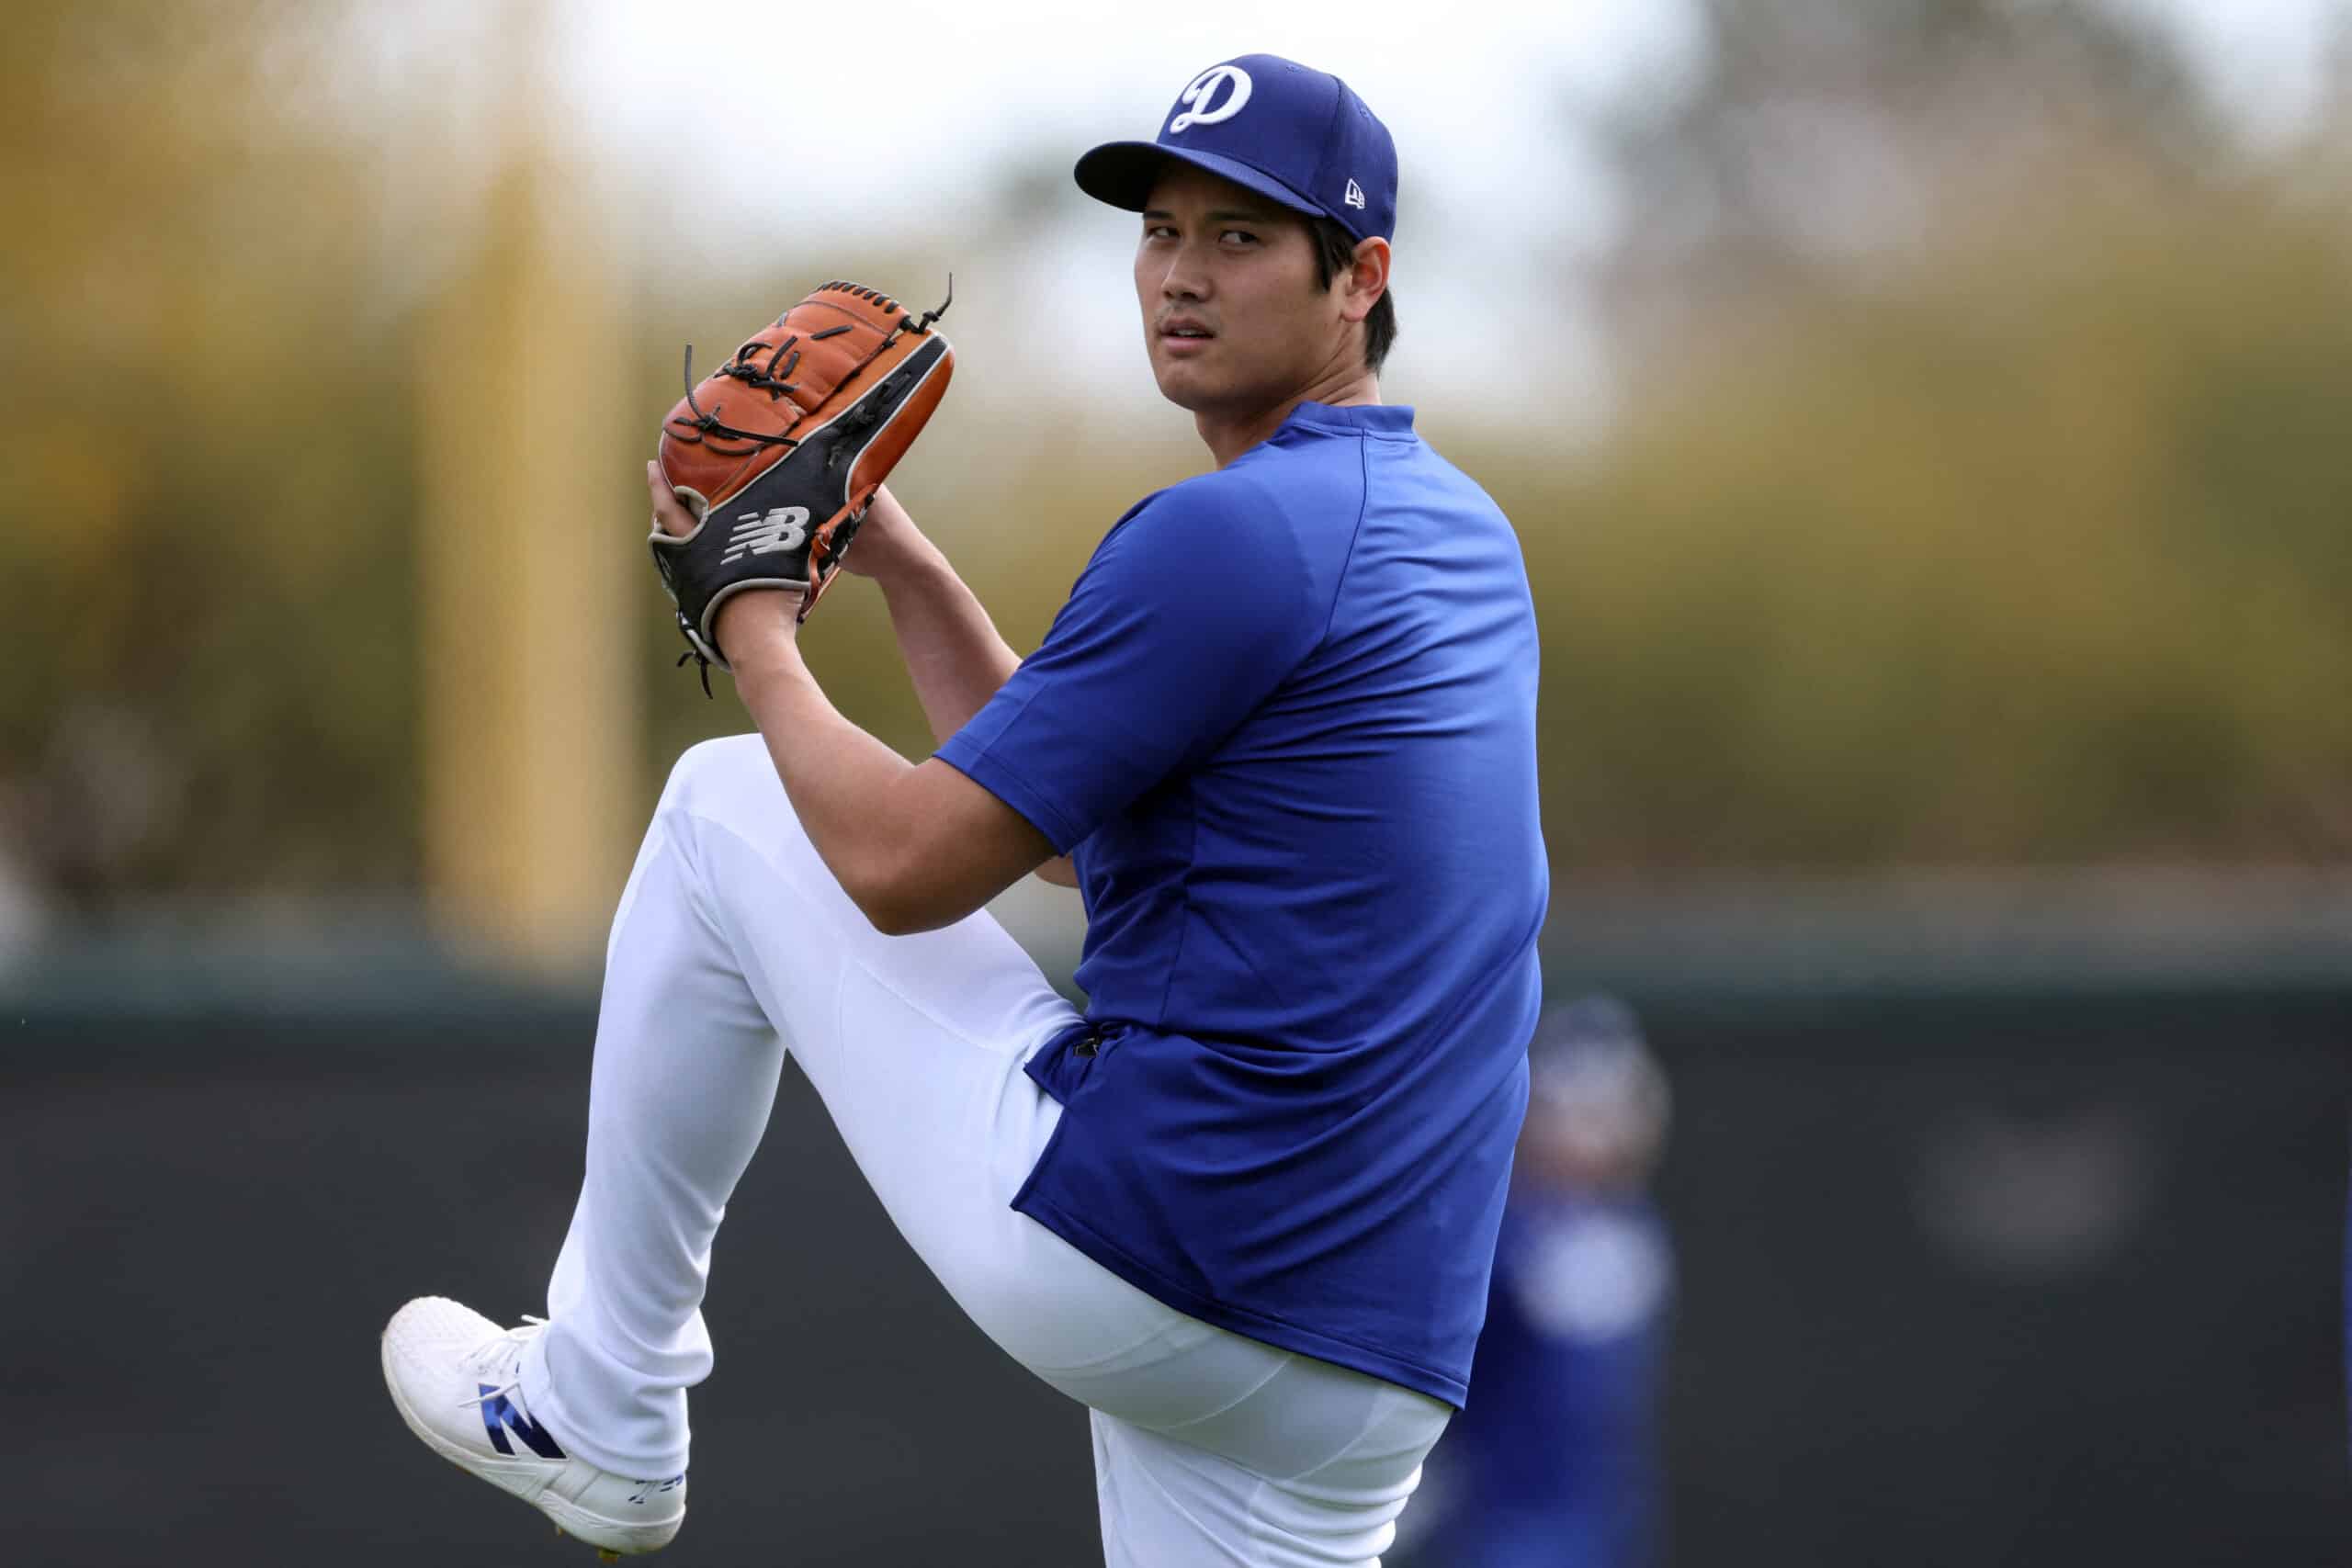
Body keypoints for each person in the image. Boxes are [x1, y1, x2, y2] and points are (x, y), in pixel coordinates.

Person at [380, 52, 1546, 1568]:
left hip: (1170, 1250)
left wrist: (752, 617)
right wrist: (910, 573)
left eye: (1240, 238)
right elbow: (1068, 832)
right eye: (1161, 231)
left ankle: (604, 1400)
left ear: (1360, 276)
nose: (1180, 277)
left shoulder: (1234, 533)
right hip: (1376, 1358)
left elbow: (907, 865)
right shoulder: (1454, 530)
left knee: (726, 802)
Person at [1409, 997, 1674, 1568]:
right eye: (1574, 1109)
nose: (1593, 1134)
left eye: (1612, 1111)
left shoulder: (1634, 1230)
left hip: (1605, 1529)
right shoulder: (1496, 1238)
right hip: (1494, 1533)